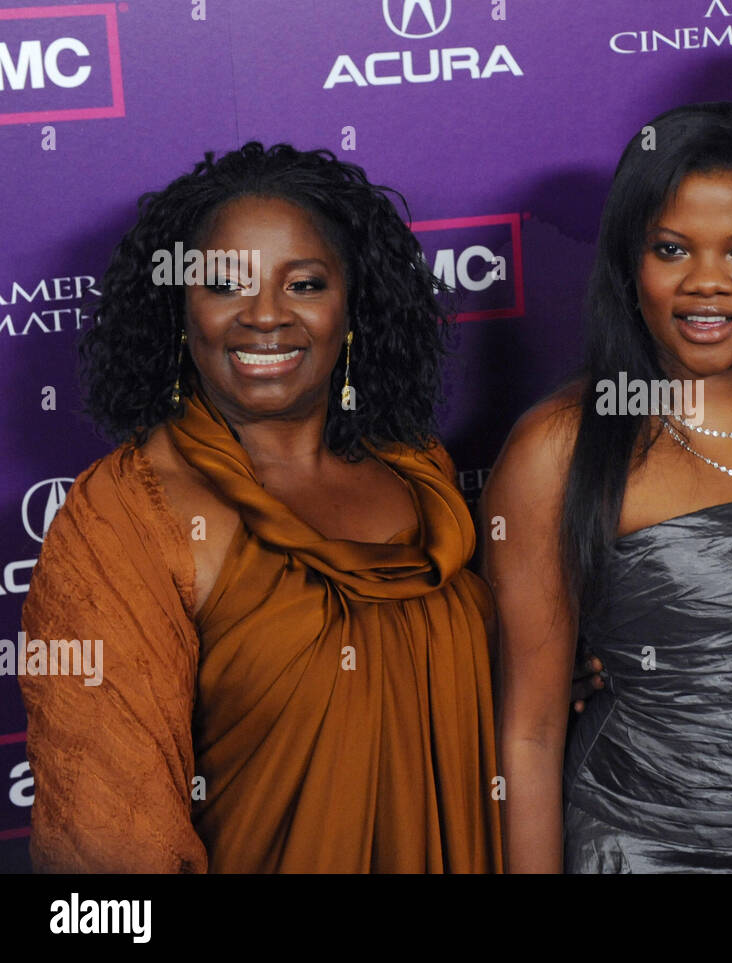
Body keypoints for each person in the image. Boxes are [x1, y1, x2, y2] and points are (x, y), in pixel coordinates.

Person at [19, 142, 502, 873]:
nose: (266, 316)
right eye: (225, 284)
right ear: (180, 310)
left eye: (304, 284)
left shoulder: (419, 469)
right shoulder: (127, 517)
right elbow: (105, 842)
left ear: (355, 307)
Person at [484, 102, 732, 873]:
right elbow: (528, 736)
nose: (707, 283)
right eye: (671, 249)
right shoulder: (559, 448)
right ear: (629, 262)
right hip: (648, 853)